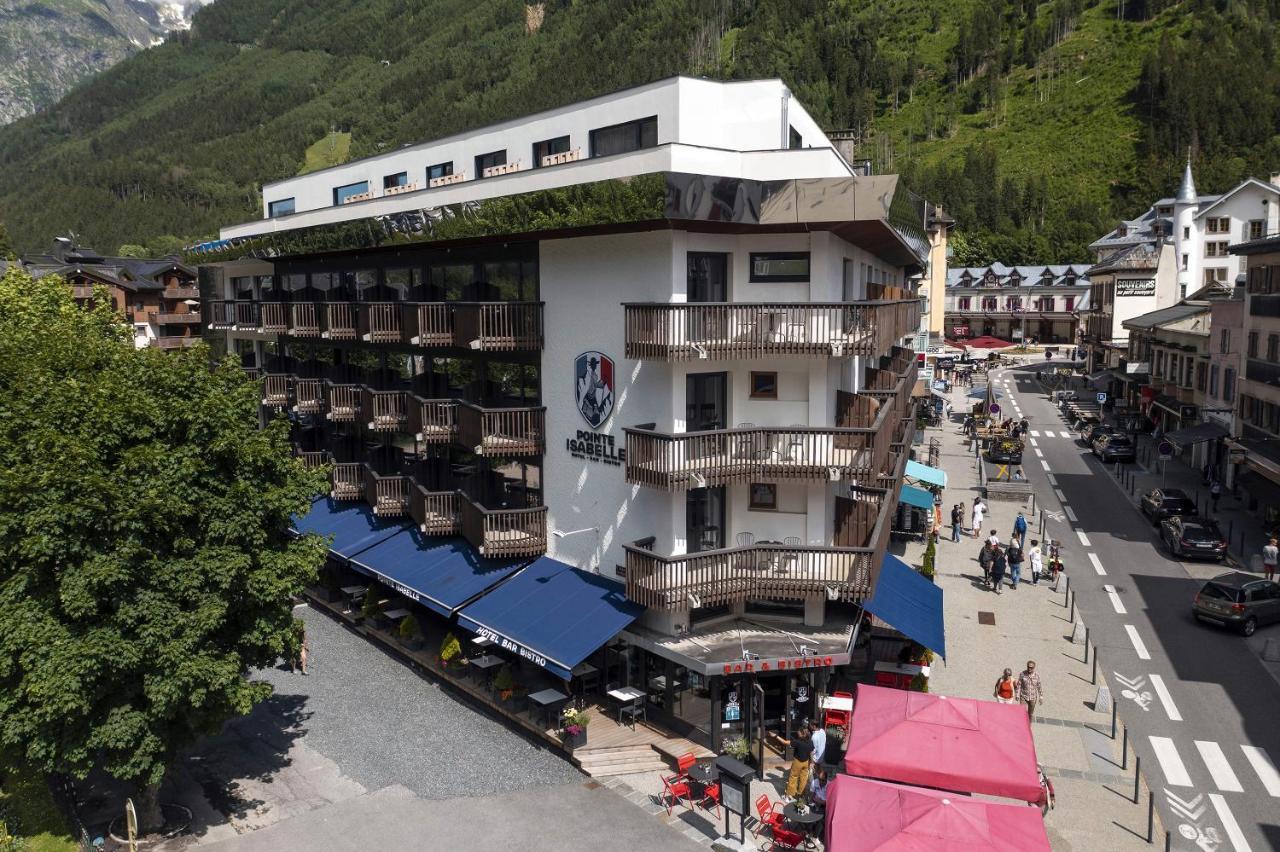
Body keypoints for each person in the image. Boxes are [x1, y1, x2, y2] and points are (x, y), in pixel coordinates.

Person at [786, 726, 813, 799]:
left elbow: (786, 742)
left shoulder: (798, 742)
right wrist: (812, 762)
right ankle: (800, 793)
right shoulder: (810, 742)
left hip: (798, 761)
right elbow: (811, 752)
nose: (797, 733)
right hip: (806, 762)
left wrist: (776, 737)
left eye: (798, 732)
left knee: (793, 777)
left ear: (802, 733)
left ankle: (790, 794)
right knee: (803, 778)